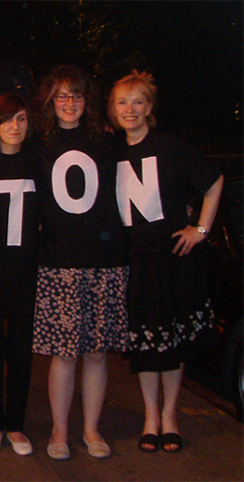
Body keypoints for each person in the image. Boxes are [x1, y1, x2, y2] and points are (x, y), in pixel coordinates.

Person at [108, 70, 223, 454]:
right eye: (123, 102)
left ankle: (170, 417)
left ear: (149, 108)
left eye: (137, 101)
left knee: (171, 345)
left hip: (174, 260)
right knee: (146, 347)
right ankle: (150, 417)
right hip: (135, 264)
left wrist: (201, 230)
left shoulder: (170, 145)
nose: (130, 109)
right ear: (113, 109)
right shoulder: (111, 152)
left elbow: (213, 181)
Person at [31, 65, 130, 461]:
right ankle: (59, 428)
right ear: (50, 101)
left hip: (105, 260)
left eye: (77, 95)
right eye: (61, 96)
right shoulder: (38, 142)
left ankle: (90, 428)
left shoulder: (107, 141)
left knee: (97, 352)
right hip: (59, 261)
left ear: (87, 100)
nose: (69, 103)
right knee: (64, 352)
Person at [0, 94, 39, 457]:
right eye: (7, 120)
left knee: (20, 352)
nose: (14, 127)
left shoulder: (37, 162)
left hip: (26, 271)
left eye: (21, 119)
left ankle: (16, 423)